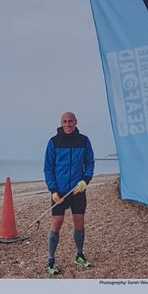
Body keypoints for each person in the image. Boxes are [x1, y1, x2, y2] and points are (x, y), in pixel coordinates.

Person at [43, 111, 94, 275]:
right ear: (61, 123)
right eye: (65, 121)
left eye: (70, 121)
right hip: (59, 191)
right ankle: (50, 260)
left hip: (77, 190)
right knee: (56, 223)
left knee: (79, 222)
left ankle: (79, 255)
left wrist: (85, 181)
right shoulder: (53, 142)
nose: (68, 124)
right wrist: (53, 190)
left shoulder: (84, 141)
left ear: (76, 122)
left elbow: (90, 163)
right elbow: (48, 167)